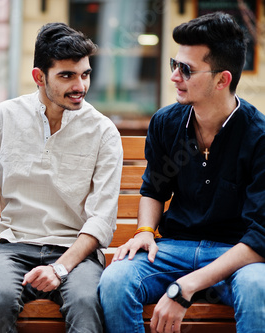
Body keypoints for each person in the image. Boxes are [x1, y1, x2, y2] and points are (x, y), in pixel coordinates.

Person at [99, 12, 265, 333]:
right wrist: (145, 231)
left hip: (236, 257)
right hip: (173, 249)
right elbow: (153, 189)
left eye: (186, 69)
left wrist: (185, 286)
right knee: (115, 281)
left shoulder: (258, 137)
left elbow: (259, 238)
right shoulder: (166, 122)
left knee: (259, 290)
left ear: (222, 79)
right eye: (174, 64)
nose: (174, 76)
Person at [0, 22, 123, 333]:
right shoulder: (5, 116)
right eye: (67, 76)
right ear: (40, 77)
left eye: (85, 74)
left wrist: (61, 267)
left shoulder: (103, 131)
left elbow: (102, 216)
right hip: (11, 245)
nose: (80, 85)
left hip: (75, 250)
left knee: (86, 305)